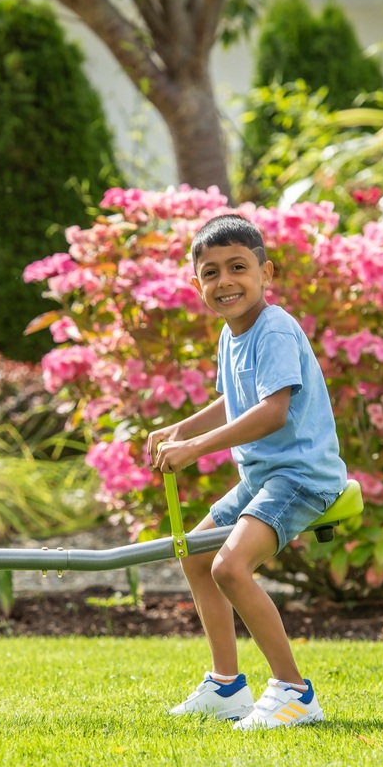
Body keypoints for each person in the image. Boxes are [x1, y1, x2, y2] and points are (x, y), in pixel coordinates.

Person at [147, 214, 347, 730]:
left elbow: (273, 410)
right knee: (196, 557)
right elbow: (232, 402)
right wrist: (180, 428)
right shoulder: (232, 336)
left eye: (238, 267)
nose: (225, 281)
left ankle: (294, 692)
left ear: (266, 272)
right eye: (210, 272)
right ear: (197, 285)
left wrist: (195, 448)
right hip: (264, 477)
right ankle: (228, 687)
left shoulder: (275, 327)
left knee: (229, 568)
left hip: (299, 476)